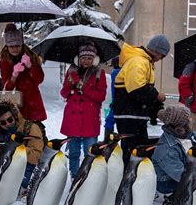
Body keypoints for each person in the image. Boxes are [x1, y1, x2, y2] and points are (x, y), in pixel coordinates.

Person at [113, 34, 169, 165]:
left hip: (135, 116)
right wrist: (157, 95)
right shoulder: (138, 61)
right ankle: (128, 180)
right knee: (132, 153)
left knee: (138, 152)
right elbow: (137, 91)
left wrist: (156, 107)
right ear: (157, 51)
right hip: (129, 116)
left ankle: (133, 179)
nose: (160, 59)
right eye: (162, 56)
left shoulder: (145, 62)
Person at [60, 40, 107, 178]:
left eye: (89, 58)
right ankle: (74, 176)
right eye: (83, 58)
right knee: (73, 152)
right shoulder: (71, 71)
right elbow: (64, 93)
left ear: (94, 59)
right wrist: (70, 84)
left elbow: (101, 96)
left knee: (90, 151)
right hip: (73, 118)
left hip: (89, 118)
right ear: (78, 58)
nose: (86, 61)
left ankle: (88, 177)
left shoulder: (99, 73)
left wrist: (83, 87)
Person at [0, 23, 47, 140]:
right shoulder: (5, 61)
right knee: (18, 135)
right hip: (15, 103)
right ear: (7, 46)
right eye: (11, 46)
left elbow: (39, 79)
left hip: (32, 101)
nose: (15, 48)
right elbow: (6, 87)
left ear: (22, 44)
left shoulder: (31, 57)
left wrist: (30, 66)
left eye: (17, 45)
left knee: (36, 134)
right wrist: (14, 75)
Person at [0, 100, 44, 191]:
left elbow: (36, 157)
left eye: (9, 119)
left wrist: (15, 148)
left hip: (26, 166)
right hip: (8, 164)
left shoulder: (31, 128)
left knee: (15, 186)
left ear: (15, 116)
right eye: (3, 122)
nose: (8, 124)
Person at [103, 57, 120, 140]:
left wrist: (114, 102)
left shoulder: (115, 73)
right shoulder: (126, 71)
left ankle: (107, 141)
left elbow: (114, 90)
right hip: (122, 102)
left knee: (109, 121)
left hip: (117, 102)